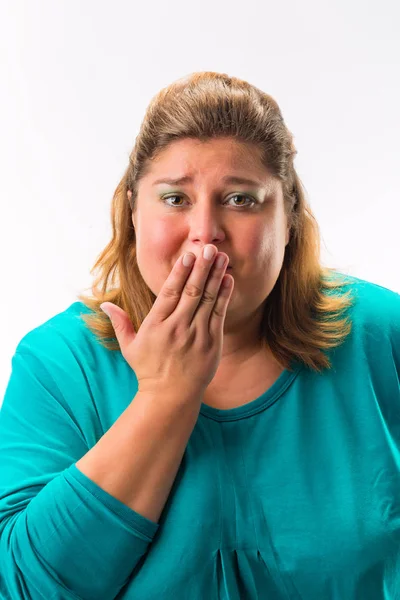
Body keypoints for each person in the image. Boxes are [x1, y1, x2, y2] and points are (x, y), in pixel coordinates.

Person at [0, 71, 399, 600]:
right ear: (132, 211)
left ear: (289, 217)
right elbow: (26, 586)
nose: (205, 230)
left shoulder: (380, 333)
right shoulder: (59, 364)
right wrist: (165, 397)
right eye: (174, 198)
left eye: (241, 199)